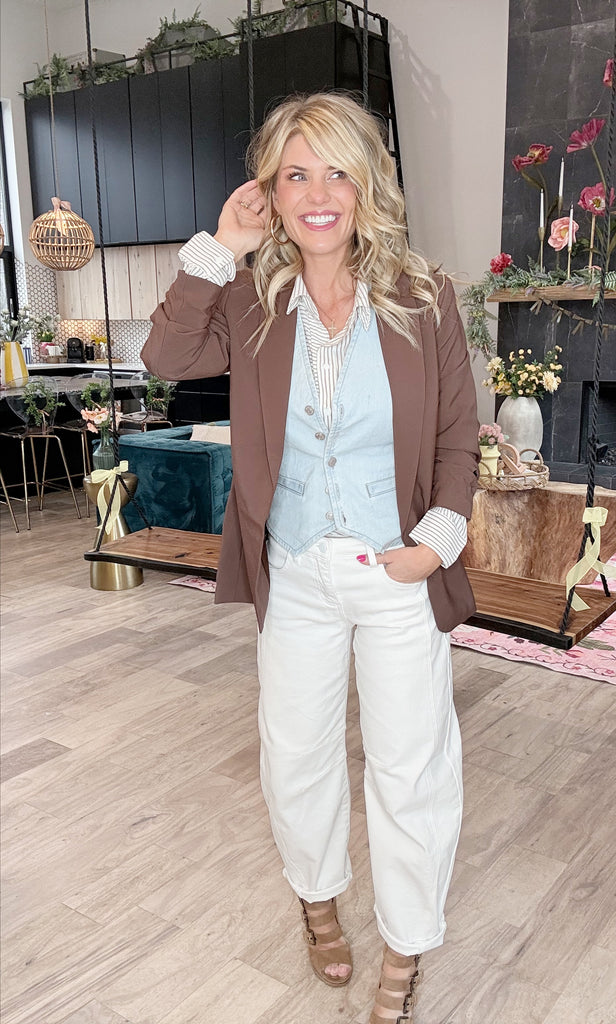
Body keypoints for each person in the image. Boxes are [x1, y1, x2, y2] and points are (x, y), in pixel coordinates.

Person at [142, 91, 479, 1024]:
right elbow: (166, 356)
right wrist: (222, 246)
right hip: (291, 566)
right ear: (271, 191)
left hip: (395, 568)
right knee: (296, 753)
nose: (318, 194)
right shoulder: (253, 298)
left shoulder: (423, 295)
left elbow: (457, 433)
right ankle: (318, 900)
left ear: (367, 182)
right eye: (296, 174)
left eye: (337, 171)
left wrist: (434, 542)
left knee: (411, 765)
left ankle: (406, 943)